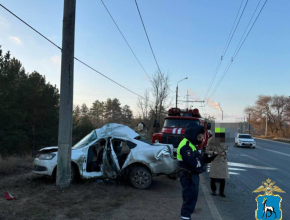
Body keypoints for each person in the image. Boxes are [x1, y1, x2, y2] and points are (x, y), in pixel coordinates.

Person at [177, 123, 205, 220]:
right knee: (189, 200)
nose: (201, 138)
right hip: (188, 177)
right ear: (193, 134)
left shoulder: (192, 144)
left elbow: (199, 160)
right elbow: (194, 163)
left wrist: (208, 158)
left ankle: (186, 217)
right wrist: (200, 162)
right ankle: (185, 217)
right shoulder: (186, 145)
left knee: (192, 199)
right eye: (199, 135)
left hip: (191, 176)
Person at [205, 133, 229, 197]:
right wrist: (213, 152)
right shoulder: (211, 140)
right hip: (215, 159)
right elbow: (207, 150)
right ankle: (213, 191)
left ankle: (221, 192)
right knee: (213, 177)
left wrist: (225, 152)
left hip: (222, 160)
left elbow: (226, 148)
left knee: (223, 178)